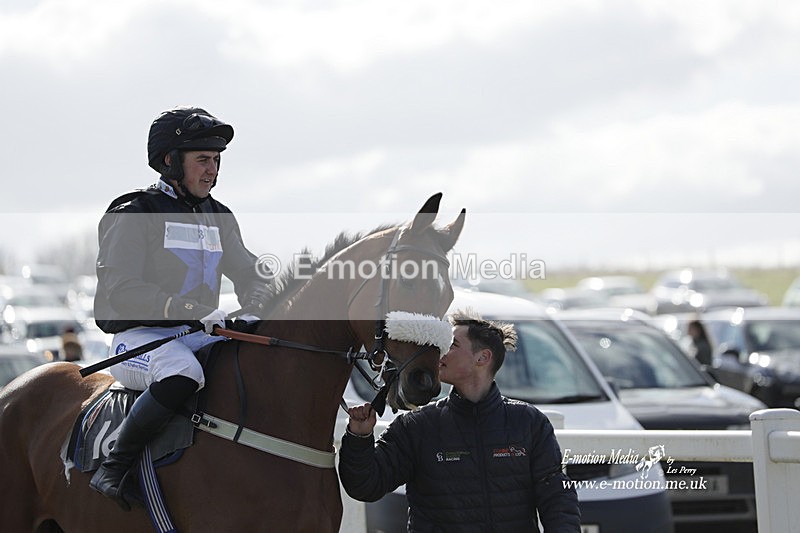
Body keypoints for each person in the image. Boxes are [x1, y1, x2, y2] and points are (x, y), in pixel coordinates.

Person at [90, 106, 274, 510]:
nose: (212, 170)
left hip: (194, 334)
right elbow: (120, 290)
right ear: (171, 161)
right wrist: (188, 308)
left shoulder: (220, 216)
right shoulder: (135, 212)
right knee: (184, 371)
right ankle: (114, 466)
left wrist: (257, 304)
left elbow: (250, 273)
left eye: (217, 161)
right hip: (138, 341)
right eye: (203, 160)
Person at [339, 310, 581, 532]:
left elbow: (557, 498)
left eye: (452, 345)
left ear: (482, 358)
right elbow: (365, 486)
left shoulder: (529, 422)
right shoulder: (416, 426)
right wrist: (359, 438)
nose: (440, 353)